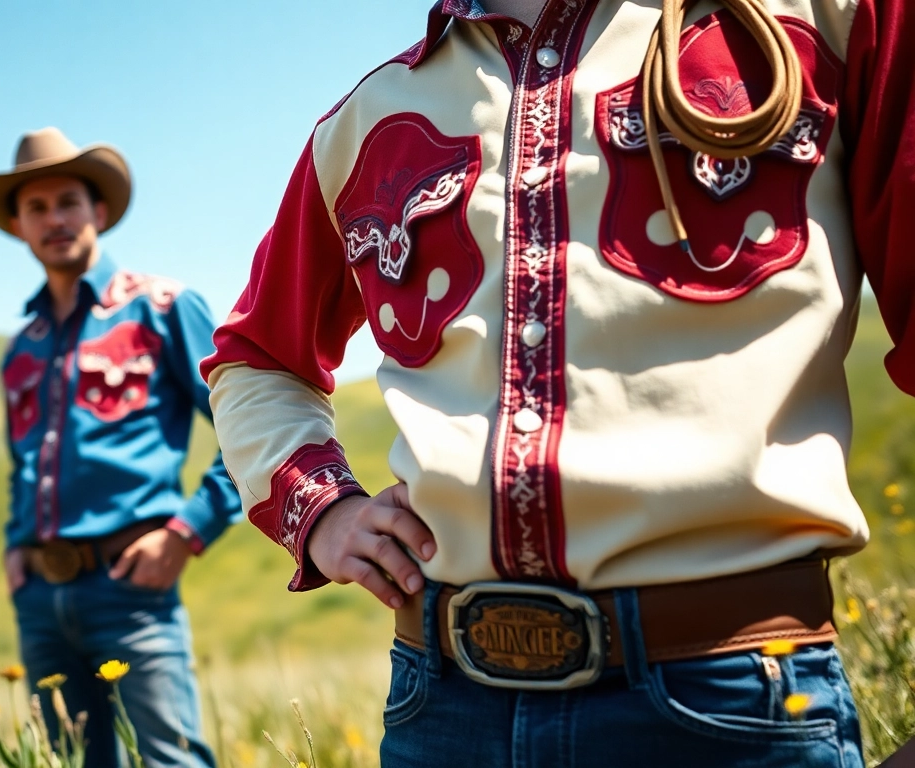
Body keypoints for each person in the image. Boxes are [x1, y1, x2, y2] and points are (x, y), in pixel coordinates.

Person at [201, 0, 913, 764]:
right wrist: (325, 510)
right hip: (441, 708)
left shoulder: (828, 20)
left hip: (736, 699)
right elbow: (257, 357)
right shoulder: (368, 118)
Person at [0, 127, 241, 768]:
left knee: (173, 761)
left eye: (67, 201)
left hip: (132, 587)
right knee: (65, 764)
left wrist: (186, 531)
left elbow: (248, 429)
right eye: (36, 208)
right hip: (40, 598)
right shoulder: (22, 349)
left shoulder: (163, 308)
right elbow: (23, 467)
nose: (54, 219)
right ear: (17, 225)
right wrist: (15, 544)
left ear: (98, 211)